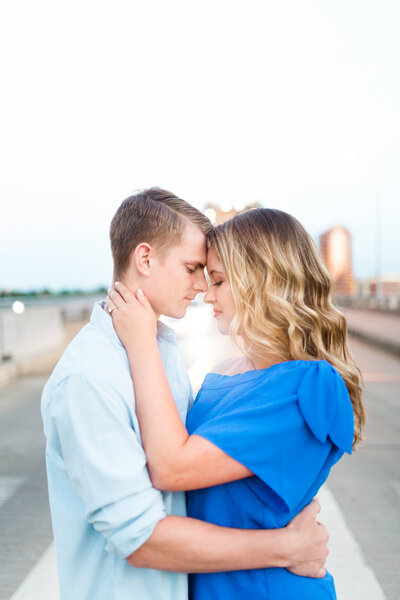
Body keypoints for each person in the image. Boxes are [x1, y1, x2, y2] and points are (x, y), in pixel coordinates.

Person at [41, 190, 329, 600]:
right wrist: (287, 547)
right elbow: (140, 537)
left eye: (211, 276)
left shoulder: (159, 349)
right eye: (192, 268)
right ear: (144, 259)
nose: (201, 286)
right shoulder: (89, 378)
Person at [106, 206, 366, 600]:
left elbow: (171, 468)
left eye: (219, 281)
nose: (207, 295)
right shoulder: (227, 371)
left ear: (261, 280)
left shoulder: (307, 386)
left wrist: (142, 343)